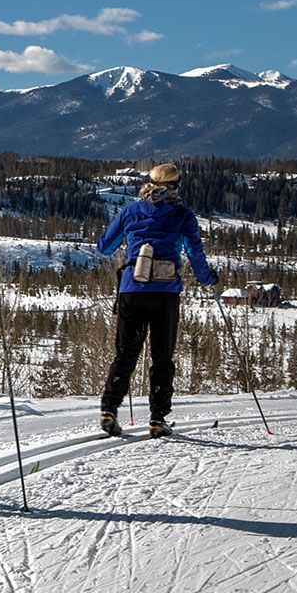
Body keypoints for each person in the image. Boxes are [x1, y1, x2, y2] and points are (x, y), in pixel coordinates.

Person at [96, 162, 217, 438]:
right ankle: (157, 419)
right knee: (162, 357)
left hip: (132, 290)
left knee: (126, 354)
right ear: (175, 186)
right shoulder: (182, 215)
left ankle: (109, 409)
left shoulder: (130, 211)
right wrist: (208, 279)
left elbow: (104, 246)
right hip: (165, 293)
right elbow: (195, 253)